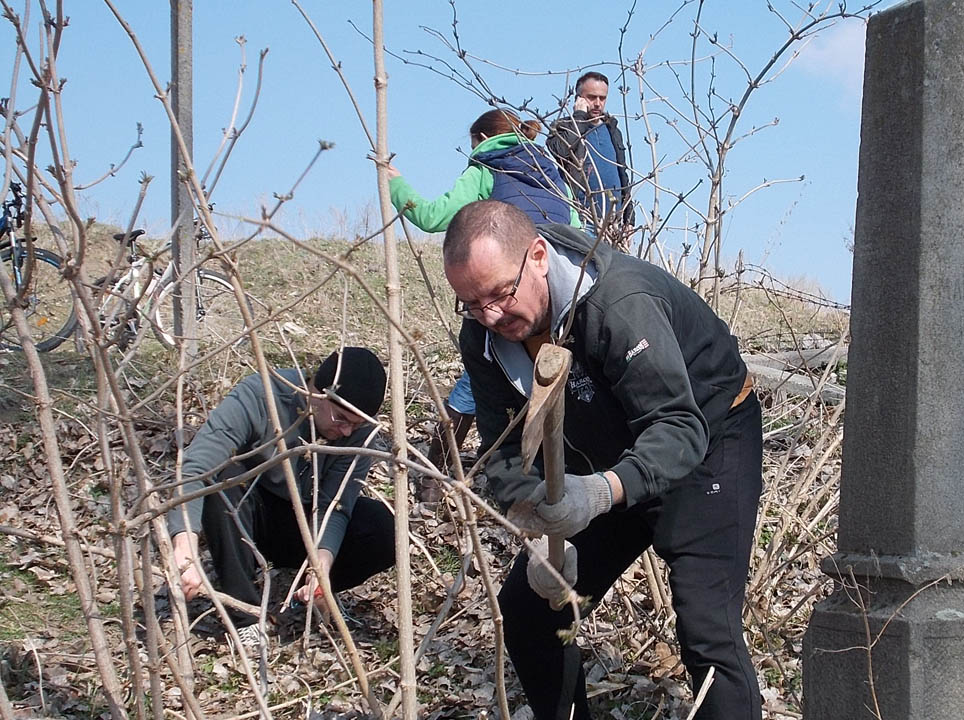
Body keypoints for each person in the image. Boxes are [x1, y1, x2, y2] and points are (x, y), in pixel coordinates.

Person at [442, 200, 763, 719]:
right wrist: (538, 520)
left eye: (500, 293)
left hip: (707, 437)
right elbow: (502, 450)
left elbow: (678, 428)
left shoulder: (618, 302)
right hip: (605, 457)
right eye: (472, 304)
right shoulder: (484, 338)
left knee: (707, 627)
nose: (491, 316)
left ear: (539, 257)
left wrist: (595, 493)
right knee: (530, 610)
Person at [388, 108, 581, 475]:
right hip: (560, 290)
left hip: (505, 288)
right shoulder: (550, 170)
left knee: (481, 368)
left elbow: (432, 217)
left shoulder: (484, 168)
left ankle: (438, 470)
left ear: (480, 139)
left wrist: (393, 181)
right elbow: (577, 227)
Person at [167, 347, 396, 647]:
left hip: (304, 518)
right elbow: (198, 467)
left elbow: (335, 506)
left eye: (356, 424)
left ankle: (308, 591)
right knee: (224, 479)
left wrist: (321, 564)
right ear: (315, 390)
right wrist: (184, 547)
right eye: (341, 418)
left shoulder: (358, 434)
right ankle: (244, 615)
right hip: (247, 512)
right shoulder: (261, 394)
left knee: (384, 527)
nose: (346, 431)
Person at [547, 71, 635, 235]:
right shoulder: (563, 127)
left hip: (613, 222)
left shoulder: (612, 130)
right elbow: (559, 151)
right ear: (578, 98)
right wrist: (579, 117)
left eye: (602, 98)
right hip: (581, 218)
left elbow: (622, 173)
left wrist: (629, 218)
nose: (597, 103)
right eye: (591, 97)